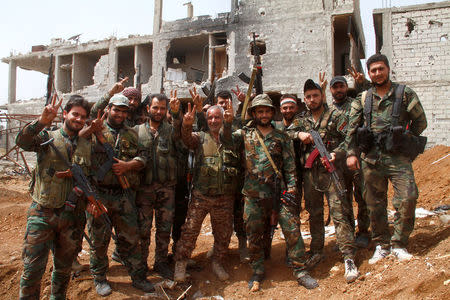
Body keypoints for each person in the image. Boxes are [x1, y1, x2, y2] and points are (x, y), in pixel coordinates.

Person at [224, 94, 318, 291]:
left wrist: (291, 188)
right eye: (260, 111)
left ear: (271, 113)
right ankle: (257, 270)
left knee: (292, 231)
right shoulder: (245, 134)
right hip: (253, 195)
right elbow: (226, 141)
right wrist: (228, 123)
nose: (264, 114)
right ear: (254, 113)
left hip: (279, 193)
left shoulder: (281, 136)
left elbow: (290, 166)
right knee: (254, 234)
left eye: (267, 111)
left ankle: (300, 270)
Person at [346, 53, 427, 263]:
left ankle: (399, 243)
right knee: (374, 204)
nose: (377, 73)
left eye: (381, 68)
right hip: (371, 159)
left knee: (408, 198)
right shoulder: (363, 98)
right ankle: (382, 244)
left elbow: (420, 123)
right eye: (373, 70)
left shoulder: (404, 93)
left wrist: (405, 139)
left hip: (398, 158)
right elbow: (351, 129)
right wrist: (352, 154)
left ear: (388, 69)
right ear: (369, 74)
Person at [16, 95, 91, 299]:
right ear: (65, 114)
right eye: (75, 114)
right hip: (43, 214)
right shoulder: (46, 136)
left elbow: (89, 178)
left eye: (83, 117)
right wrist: (41, 122)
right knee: (32, 270)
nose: (79, 119)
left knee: (63, 270)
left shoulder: (86, 145)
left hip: (72, 218)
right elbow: (22, 142)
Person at [286, 79, 359, 283]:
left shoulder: (335, 116)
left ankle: (348, 256)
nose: (311, 99)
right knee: (314, 212)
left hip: (331, 170)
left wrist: (337, 153)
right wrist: (299, 134)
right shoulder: (301, 119)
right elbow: (286, 132)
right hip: (311, 174)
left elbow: (349, 138)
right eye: (308, 97)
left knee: (339, 212)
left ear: (322, 95)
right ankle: (317, 250)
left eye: (315, 95)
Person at [86, 94, 154, 295]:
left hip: (124, 196)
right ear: (108, 108)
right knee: (99, 240)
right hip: (99, 195)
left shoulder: (132, 133)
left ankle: (138, 277)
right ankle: (99, 278)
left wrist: (128, 165)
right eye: (117, 109)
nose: (120, 114)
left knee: (131, 239)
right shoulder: (95, 131)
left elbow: (144, 157)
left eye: (124, 111)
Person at [174, 100, 239, 281]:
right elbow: (187, 140)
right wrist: (186, 126)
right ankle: (181, 263)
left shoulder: (232, 138)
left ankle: (218, 263)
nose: (213, 121)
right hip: (201, 196)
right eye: (210, 117)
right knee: (190, 230)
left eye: (217, 117)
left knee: (223, 234)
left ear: (223, 118)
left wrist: (232, 122)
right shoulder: (200, 137)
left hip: (224, 197)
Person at [134, 93, 184, 279]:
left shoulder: (171, 131)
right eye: (155, 107)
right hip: (144, 190)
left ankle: (161, 263)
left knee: (164, 229)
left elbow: (183, 136)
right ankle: (140, 266)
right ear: (148, 109)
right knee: (143, 230)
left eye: (163, 108)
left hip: (166, 189)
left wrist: (178, 114)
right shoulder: (136, 131)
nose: (159, 111)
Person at [330, 76, 370, 248]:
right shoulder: (328, 110)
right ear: (331, 90)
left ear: (346, 87)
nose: (338, 90)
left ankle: (363, 232)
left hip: (356, 158)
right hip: (338, 163)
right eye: (335, 87)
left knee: (362, 196)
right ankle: (347, 235)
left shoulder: (355, 104)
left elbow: (368, 99)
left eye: (341, 86)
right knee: (342, 199)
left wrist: (362, 84)